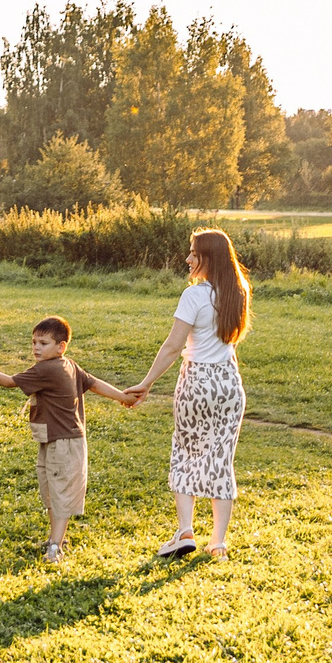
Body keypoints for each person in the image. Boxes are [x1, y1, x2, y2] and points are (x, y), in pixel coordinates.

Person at [0, 314, 139, 562]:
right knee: (52, 491)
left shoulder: (46, 370)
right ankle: (55, 539)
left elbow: (9, 382)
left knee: (60, 493)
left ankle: (55, 546)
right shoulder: (68, 365)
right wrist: (123, 397)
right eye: (34, 342)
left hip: (64, 442)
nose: (37, 348)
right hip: (54, 439)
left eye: (43, 343)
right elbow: (94, 384)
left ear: (61, 346)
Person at [127, 228, 252, 559]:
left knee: (185, 452)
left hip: (196, 381)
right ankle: (219, 543)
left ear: (207, 258)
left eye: (193, 254)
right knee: (221, 460)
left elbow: (172, 346)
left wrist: (147, 383)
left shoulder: (194, 296)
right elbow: (230, 341)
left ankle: (185, 531)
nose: (187, 259)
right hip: (228, 382)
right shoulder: (239, 291)